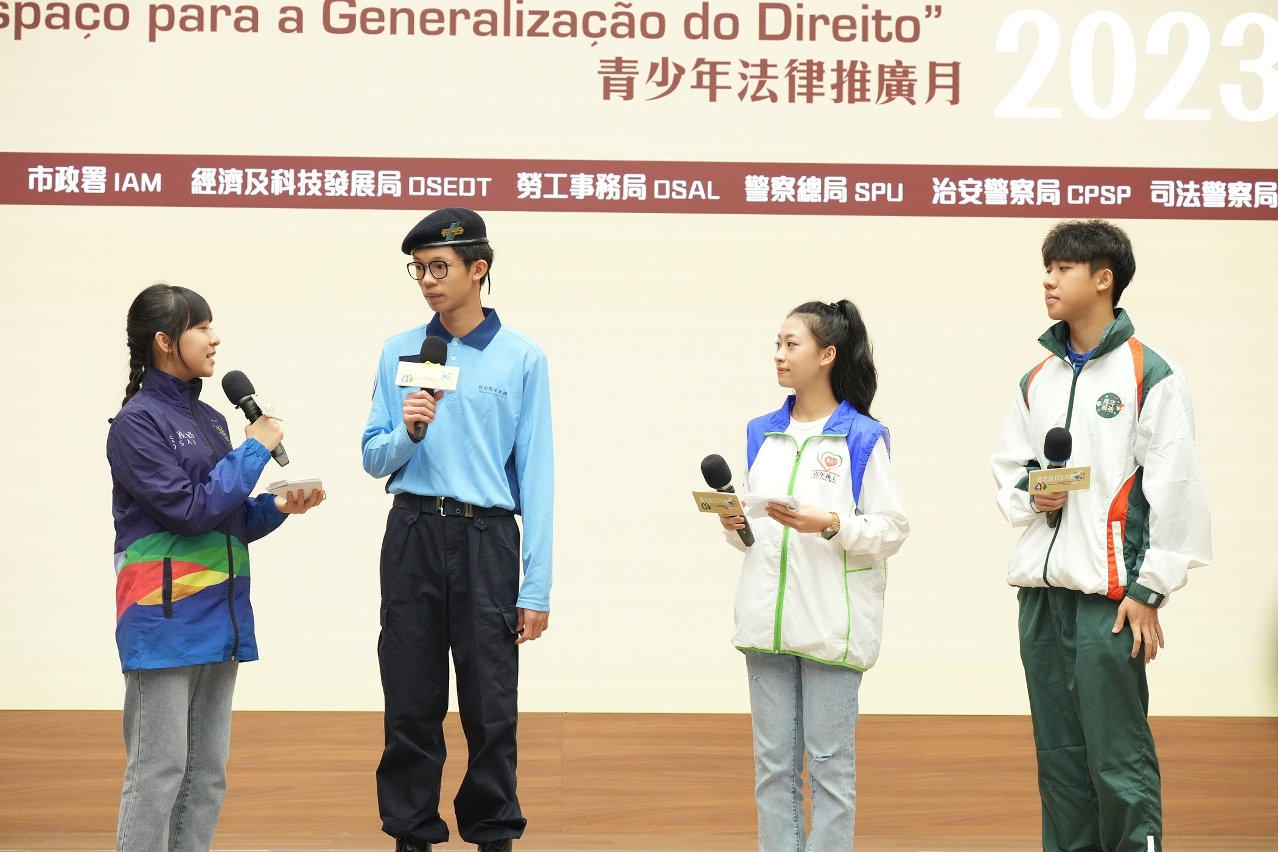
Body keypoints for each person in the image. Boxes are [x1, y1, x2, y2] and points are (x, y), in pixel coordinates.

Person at [991, 220, 1211, 852]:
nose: (1047, 280)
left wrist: (1149, 590)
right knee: (1058, 760)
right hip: (1041, 598)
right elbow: (1009, 471)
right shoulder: (1037, 379)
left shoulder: (1151, 374)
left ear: (1103, 279)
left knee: (1118, 756)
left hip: (1112, 602)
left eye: (1062, 268)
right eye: (1047, 268)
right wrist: (1033, 491)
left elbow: (1177, 491)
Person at [361, 208, 553, 852]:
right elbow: (373, 457)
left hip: (486, 539)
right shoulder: (400, 350)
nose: (428, 281)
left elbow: (538, 475)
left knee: (490, 704)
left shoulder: (522, 357)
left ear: (479, 269)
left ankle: (493, 834)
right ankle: (410, 834)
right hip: (412, 532)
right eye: (418, 269)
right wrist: (409, 431)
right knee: (410, 698)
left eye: (440, 267)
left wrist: (537, 586)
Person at [107, 283, 324, 852]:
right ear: (164, 341)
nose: (214, 338)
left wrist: (276, 506)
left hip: (219, 617)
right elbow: (189, 511)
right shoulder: (136, 423)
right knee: (158, 774)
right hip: (163, 619)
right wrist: (254, 450)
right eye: (201, 327)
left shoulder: (211, 418)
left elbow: (226, 517)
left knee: (206, 777)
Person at [717, 300, 909, 852]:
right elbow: (753, 538)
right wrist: (736, 525)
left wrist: (830, 523)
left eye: (791, 344)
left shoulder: (862, 437)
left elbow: (892, 529)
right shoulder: (761, 432)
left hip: (832, 627)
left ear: (827, 355)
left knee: (829, 768)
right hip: (766, 627)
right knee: (773, 769)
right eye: (776, 344)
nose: (779, 355)